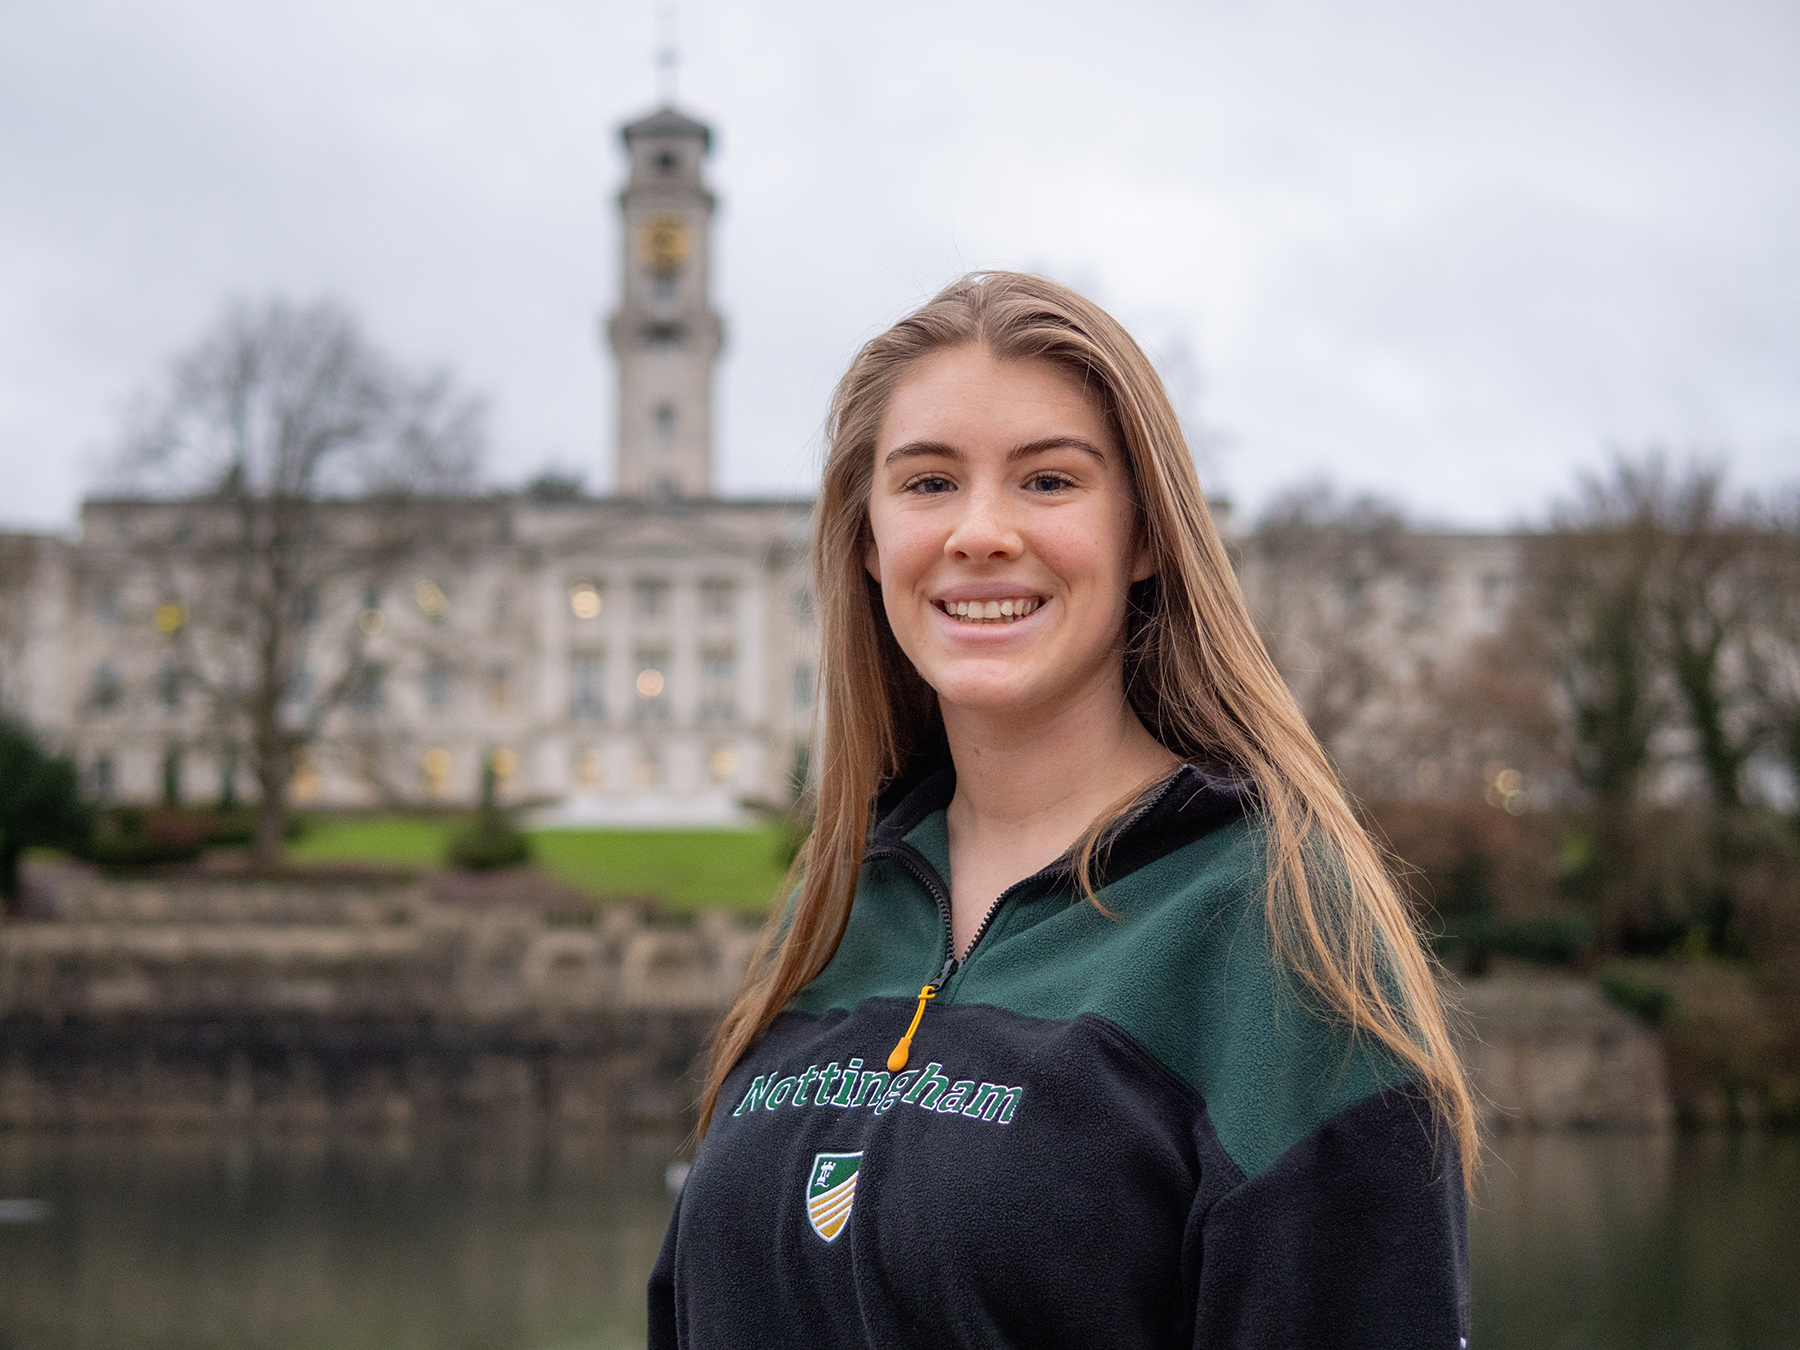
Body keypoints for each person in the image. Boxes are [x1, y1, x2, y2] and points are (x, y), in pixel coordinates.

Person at [649, 272, 1474, 1348]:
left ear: (1143, 536)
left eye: (1047, 481)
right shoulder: (839, 901)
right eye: (929, 483)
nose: (980, 533)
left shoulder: (1274, 922)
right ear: (866, 540)